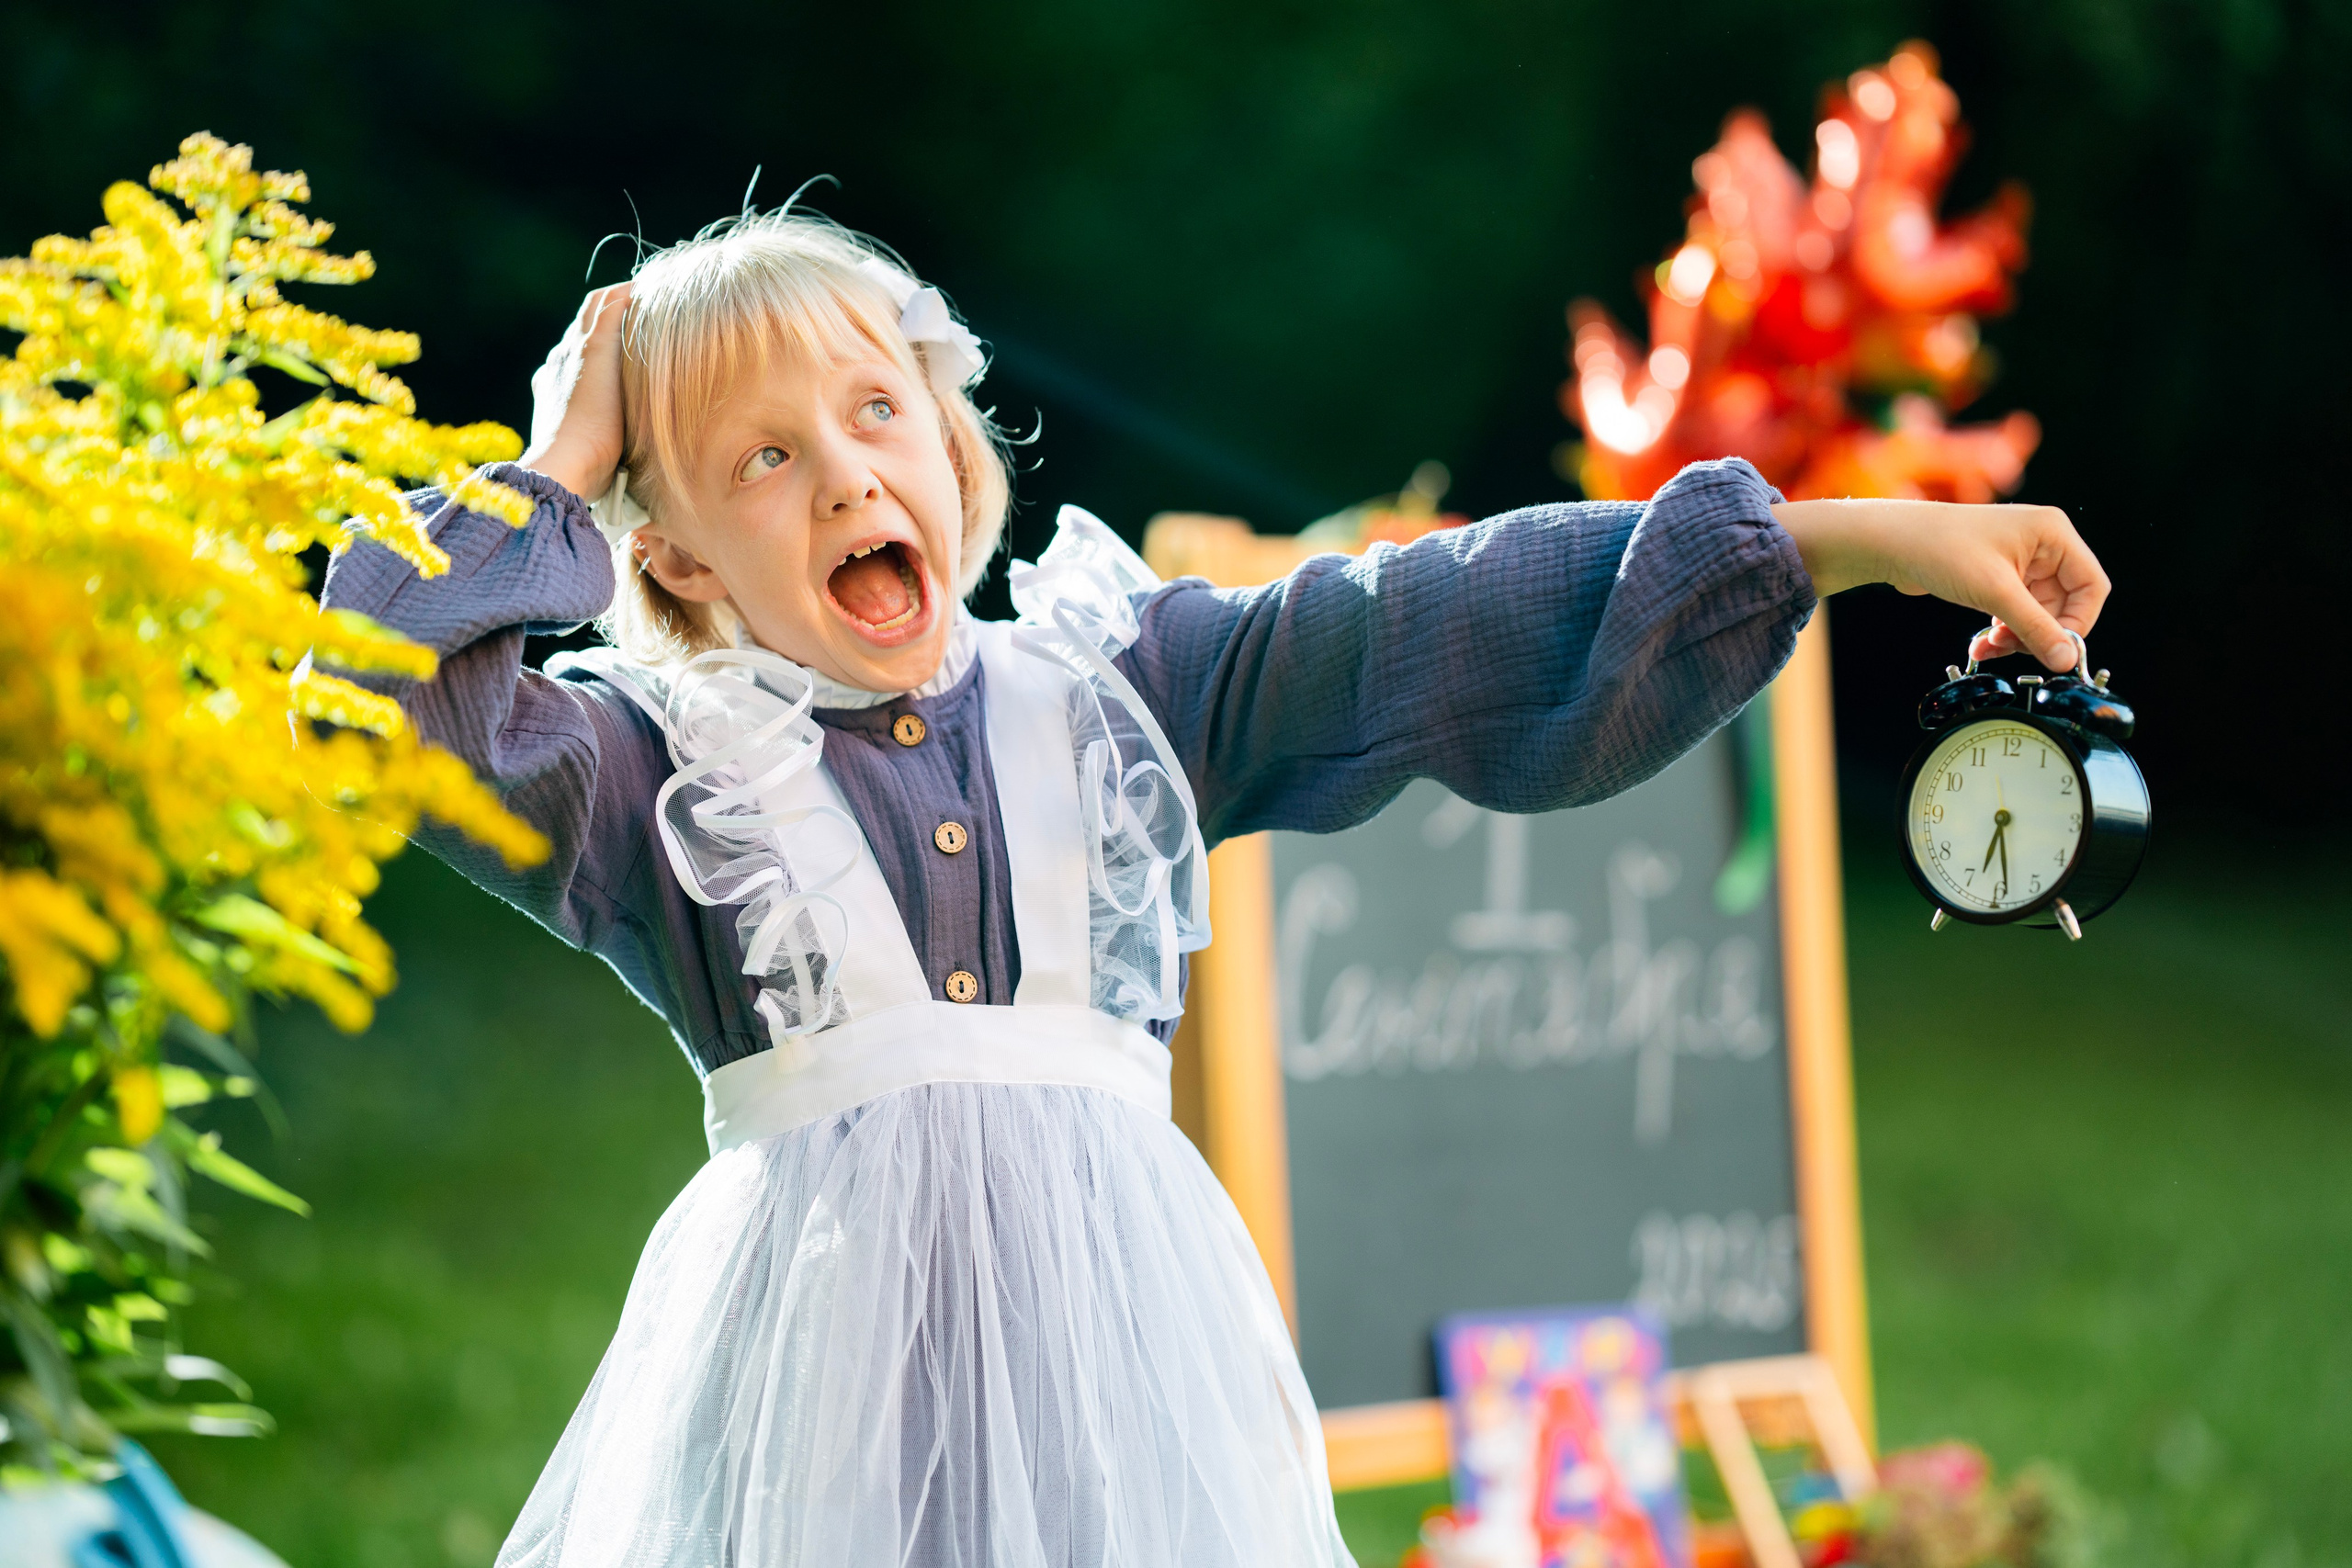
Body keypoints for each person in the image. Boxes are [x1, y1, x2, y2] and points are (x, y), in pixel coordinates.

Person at [320, 207, 2108, 1567]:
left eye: (876, 410)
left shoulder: (1121, 699)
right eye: (761, 458)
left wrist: (1849, 536)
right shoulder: (666, 784)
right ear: (682, 572)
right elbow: (373, 682)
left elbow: (1431, 624)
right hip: (832, 1442)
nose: (846, 468)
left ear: (952, 455)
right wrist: (557, 457)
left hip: (1126, 1408)